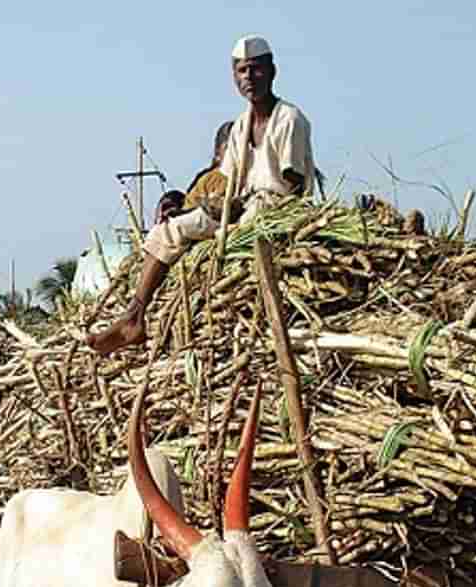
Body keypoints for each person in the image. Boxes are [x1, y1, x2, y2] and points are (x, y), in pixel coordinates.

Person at [87, 35, 315, 355]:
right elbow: (231, 183)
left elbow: (292, 184)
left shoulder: (289, 118)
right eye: (242, 71)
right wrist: (211, 207)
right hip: (244, 202)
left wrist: (236, 213)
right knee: (169, 230)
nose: (249, 77)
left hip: (277, 206)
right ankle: (134, 316)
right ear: (234, 78)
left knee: (241, 224)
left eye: (256, 69)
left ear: (272, 71)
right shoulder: (239, 127)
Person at [183, 120, 235, 213]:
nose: (234, 153)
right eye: (229, 148)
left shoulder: (252, 177)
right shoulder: (208, 180)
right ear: (218, 152)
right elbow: (188, 210)